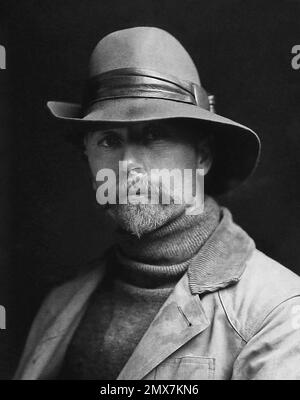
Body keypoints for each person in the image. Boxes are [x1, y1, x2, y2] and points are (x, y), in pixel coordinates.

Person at [13, 26, 300, 380]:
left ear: (203, 156)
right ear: (85, 157)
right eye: (108, 140)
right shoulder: (60, 304)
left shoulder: (277, 311)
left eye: (154, 135)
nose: (127, 165)